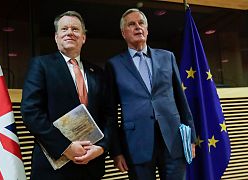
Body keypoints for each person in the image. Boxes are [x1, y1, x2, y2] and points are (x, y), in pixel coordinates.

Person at [21, 11, 114, 180]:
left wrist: (101, 147)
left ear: (83, 38)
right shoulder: (41, 65)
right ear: (56, 37)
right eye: (64, 29)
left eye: (75, 29)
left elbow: (109, 116)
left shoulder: (98, 73)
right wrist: (66, 147)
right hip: (53, 167)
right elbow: (30, 113)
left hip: (91, 165)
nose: (70, 32)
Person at [105, 8, 196, 180]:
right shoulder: (114, 65)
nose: (138, 27)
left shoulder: (167, 57)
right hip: (136, 145)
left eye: (141, 23)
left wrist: (190, 138)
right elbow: (110, 113)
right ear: (124, 33)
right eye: (132, 24)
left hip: (173, 141)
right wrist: (116, 152)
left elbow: (181, 100)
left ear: (147, 30)